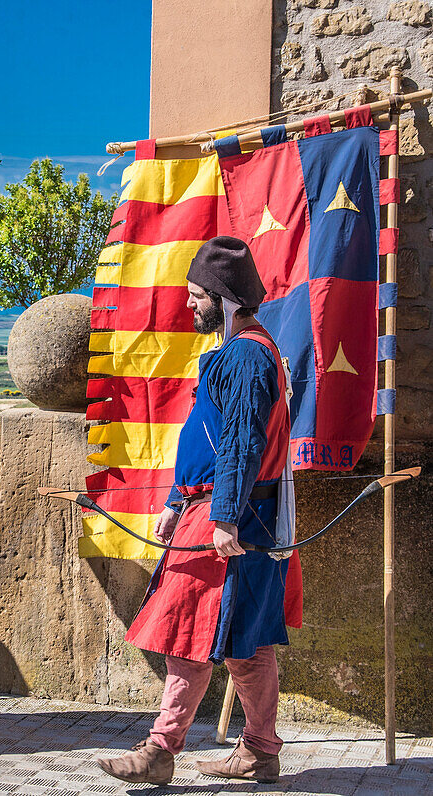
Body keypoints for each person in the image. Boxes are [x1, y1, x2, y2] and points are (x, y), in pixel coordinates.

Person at [97, 236, 302, 786]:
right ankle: (259, 752)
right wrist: (175, 501)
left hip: (232, 519)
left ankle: (161, 750)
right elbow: (204, 441)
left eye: (197, 295)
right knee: (245, 642)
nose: (191, 304)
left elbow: (240, 442)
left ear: (225, 298)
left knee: (191, 633)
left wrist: (225, 517)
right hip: (218, 511)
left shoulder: (247, 355)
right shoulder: (240, 352)